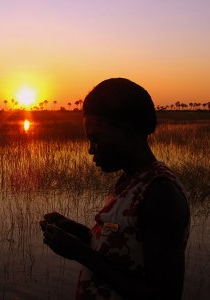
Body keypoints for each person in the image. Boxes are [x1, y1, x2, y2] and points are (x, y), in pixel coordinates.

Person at [40, 78, 190, 300]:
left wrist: (80, 254)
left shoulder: (160, 194)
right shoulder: (129, 181)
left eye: (96, 139)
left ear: (126, 131)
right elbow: (122, 251)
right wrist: (79, 233)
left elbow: (164, 294)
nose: (91, 150)